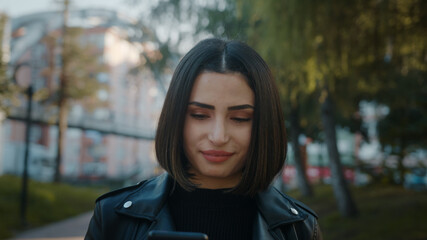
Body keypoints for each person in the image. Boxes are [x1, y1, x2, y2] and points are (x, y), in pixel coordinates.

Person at [85, 38, 322, 240]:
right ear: (175, 118)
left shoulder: (299, 229)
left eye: (240, 118)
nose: (218, 136)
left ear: (265, 124)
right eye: (199, 115)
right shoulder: (113, 218)